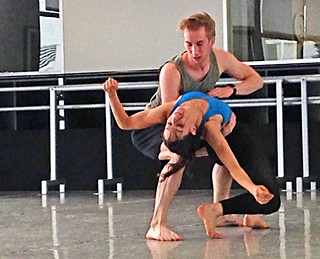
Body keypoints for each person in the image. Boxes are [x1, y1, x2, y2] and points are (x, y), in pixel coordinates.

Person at [130, 12, 268, 241]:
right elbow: (172, 121)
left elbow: (255, 80)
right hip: (156, 127)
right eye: (189, 45)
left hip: (192, 123)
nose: (194, 51)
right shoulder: (172, 71)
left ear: (212, 41)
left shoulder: (220, 59)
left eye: (200, 44)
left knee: (226, 147)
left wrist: (230, 91)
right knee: (178, 156)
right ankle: (156, 224)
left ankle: (221, 212)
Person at [103, 77, 280, 239]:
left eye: (171, 123)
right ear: (193, 130)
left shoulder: (171, 110)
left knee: (265, 198)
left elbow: (126, 122)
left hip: (228, 140)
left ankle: (241, 215)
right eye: (179, 126)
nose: (175, 119)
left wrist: (112, 94)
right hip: (232, 143)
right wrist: (253, 188)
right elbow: (233, 166)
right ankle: (167, 221)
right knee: (270, 201)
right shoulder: (211, 128)